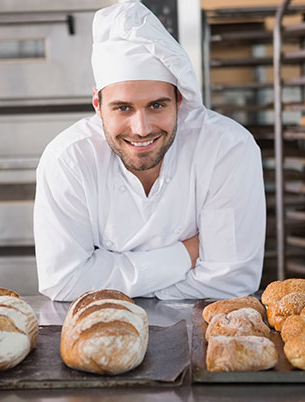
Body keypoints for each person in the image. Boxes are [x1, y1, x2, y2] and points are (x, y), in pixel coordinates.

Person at [33, 0, 266, 301]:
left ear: (179, 101)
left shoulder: (227, 149)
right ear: (97, 105)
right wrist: (186, 254)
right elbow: (62, 282)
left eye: (157, 105)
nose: (141, 128)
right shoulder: (68, 160)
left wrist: (104, 277)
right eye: (123, 108)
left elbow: (231, 282)